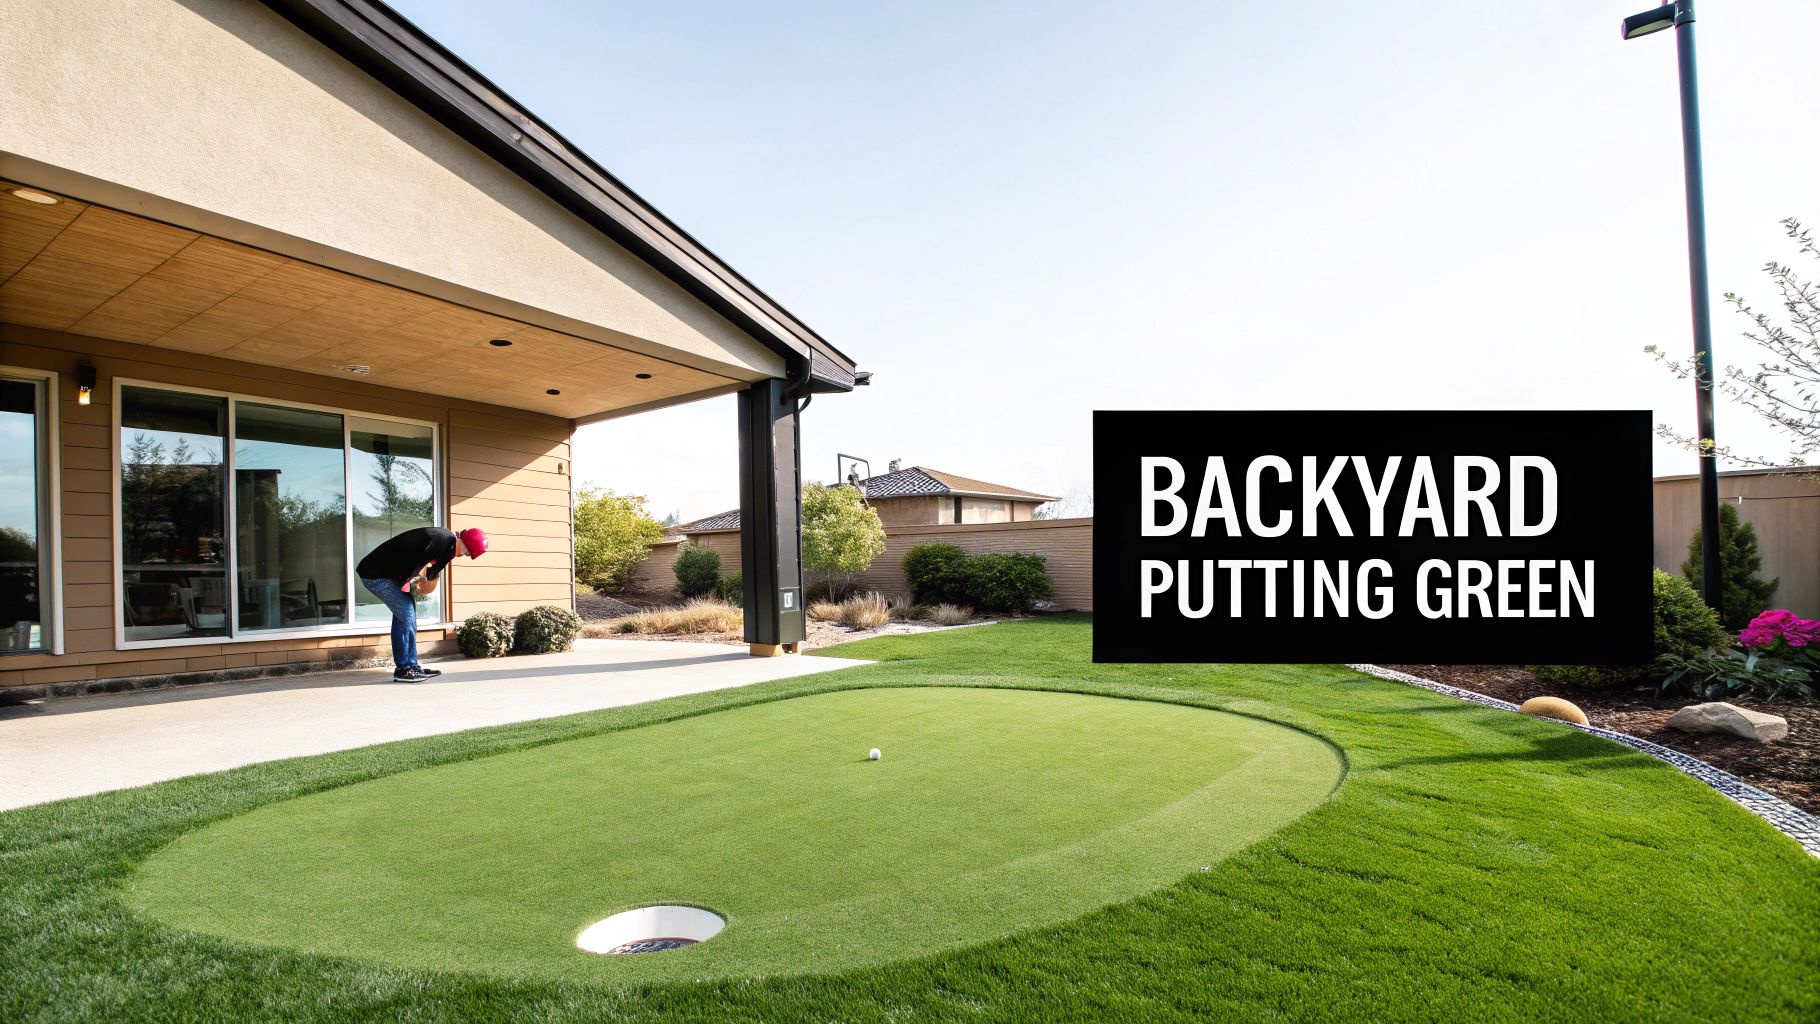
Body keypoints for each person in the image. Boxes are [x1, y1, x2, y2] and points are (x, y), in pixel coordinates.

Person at [356, 526, 486, 682]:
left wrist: (415, 582)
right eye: (467, 552)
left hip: (389, 577)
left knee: (406, 615)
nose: (464, 555)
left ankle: (412, 666)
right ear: (465, 542)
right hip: (375, 575)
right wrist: (408, 581)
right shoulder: (443, 538)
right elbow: (413, 559)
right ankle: (403, 669)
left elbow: (430, 574)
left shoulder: (448, 549)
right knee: (406, 615)